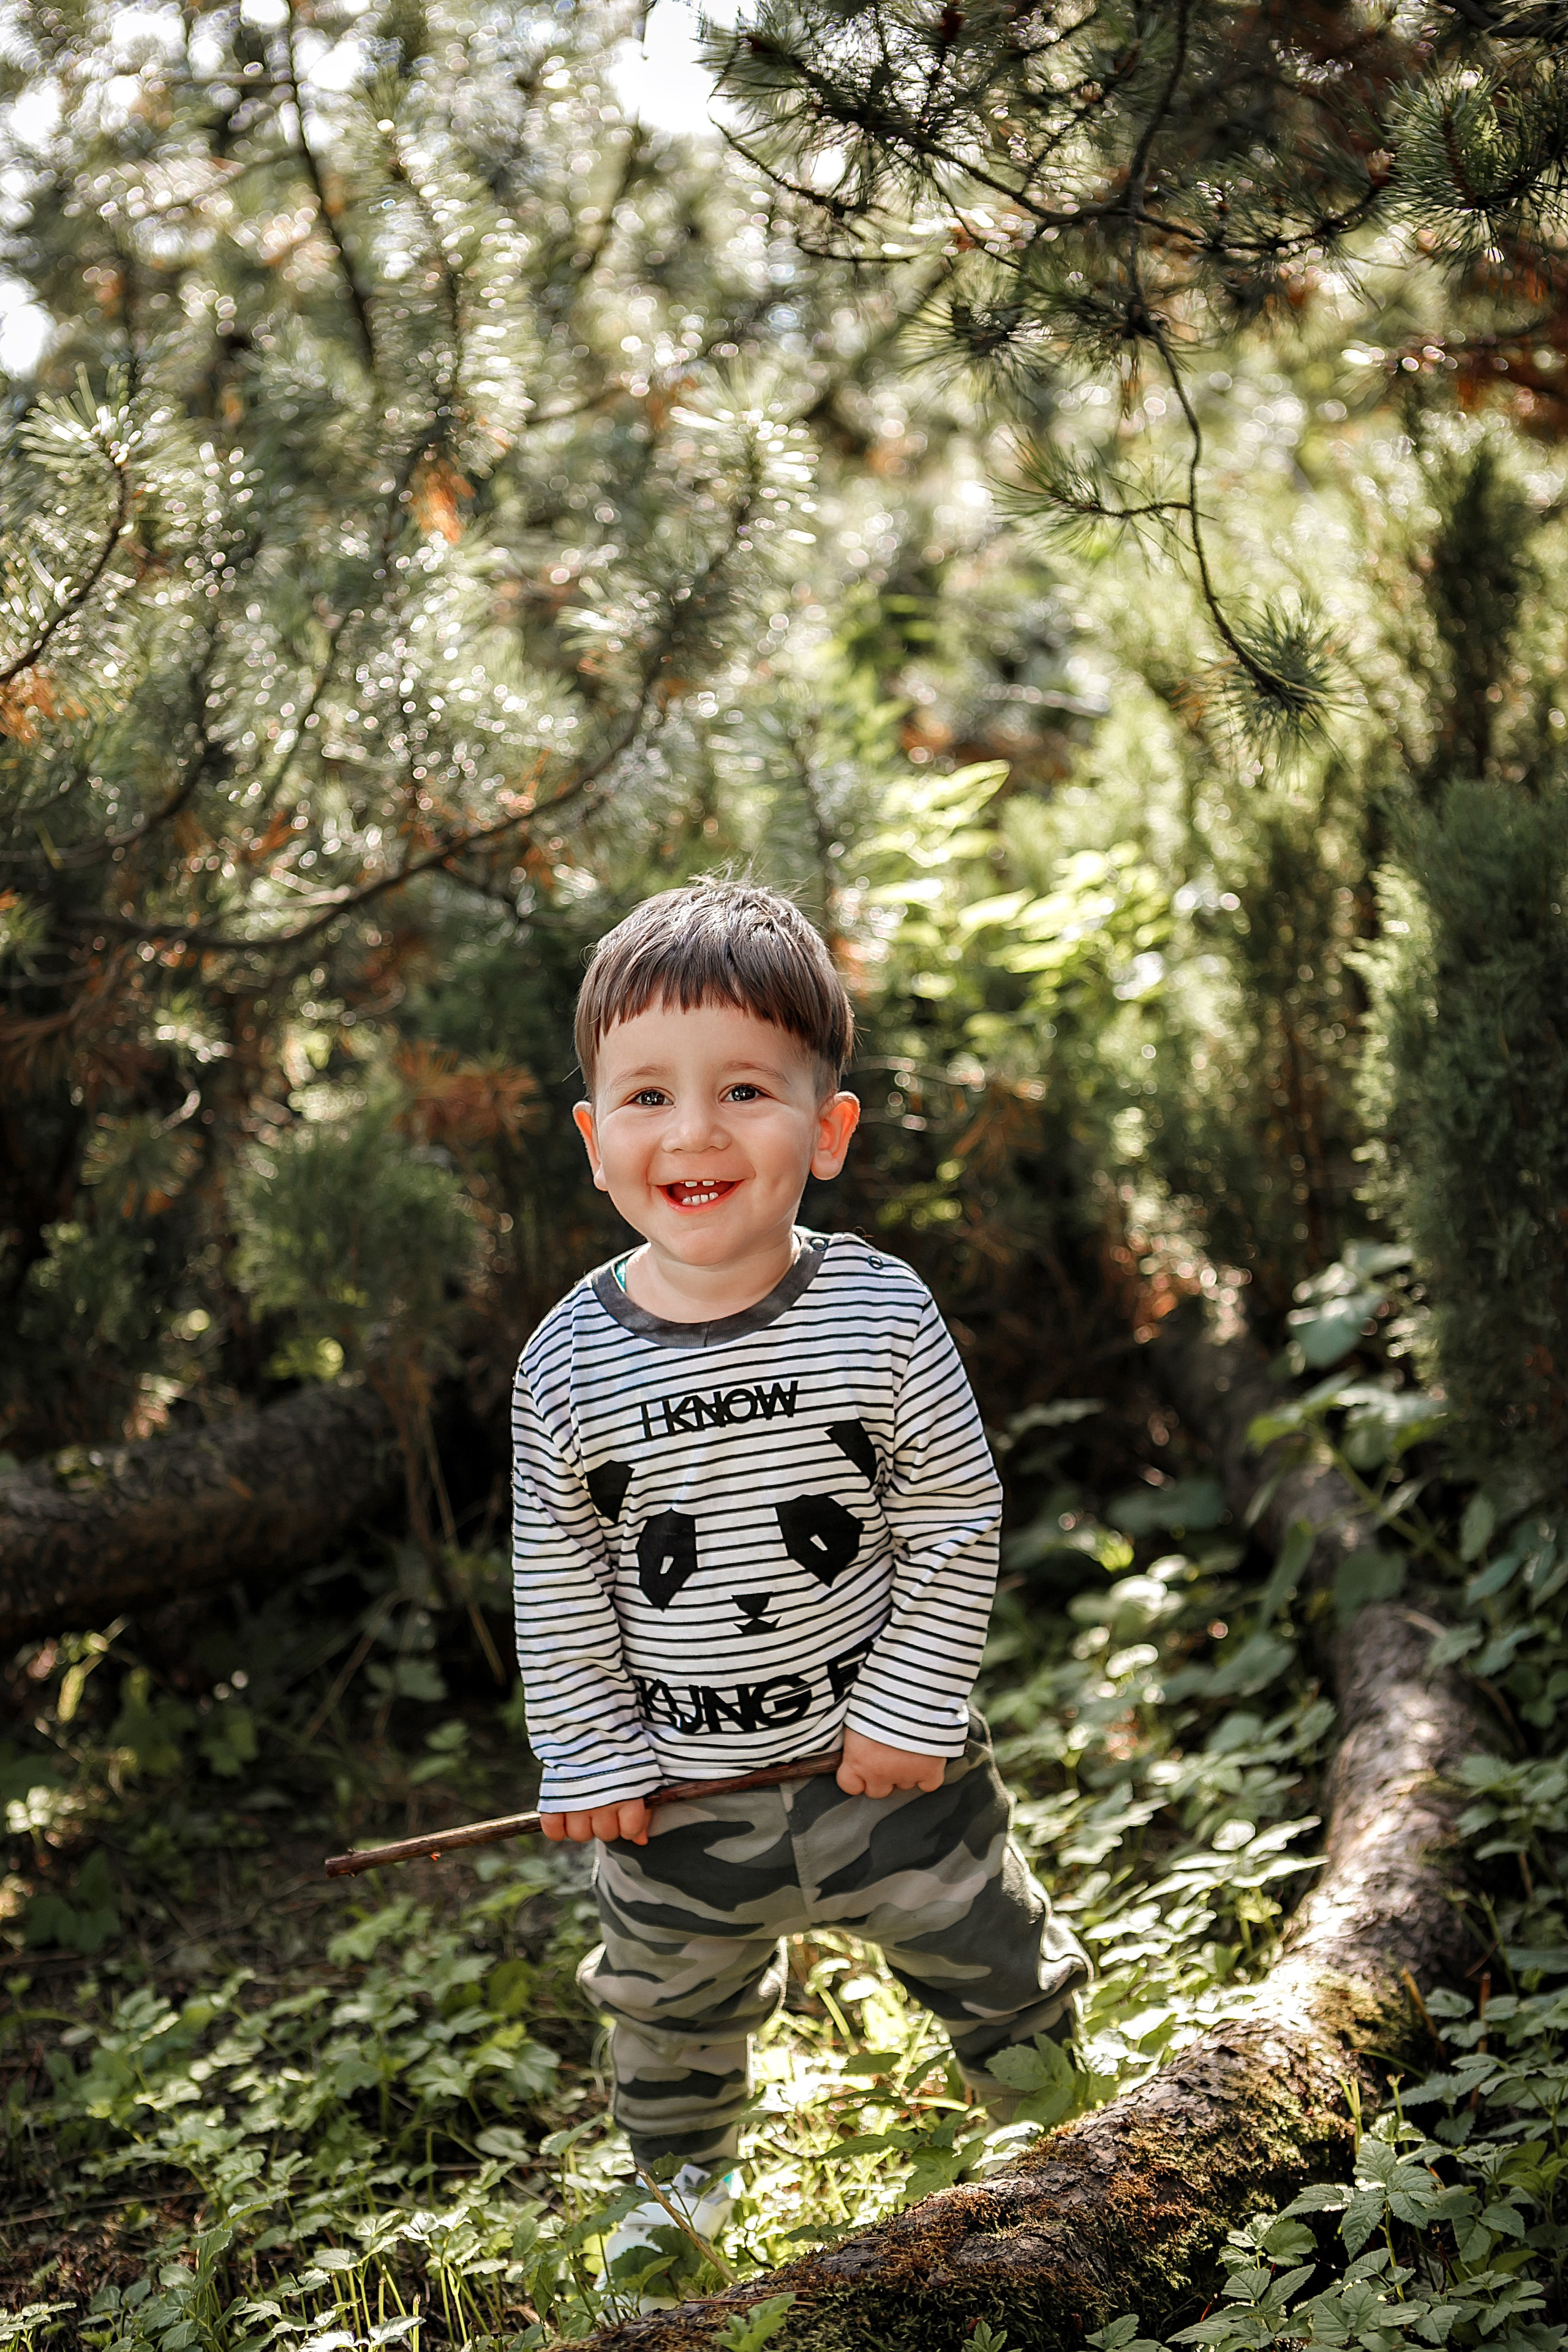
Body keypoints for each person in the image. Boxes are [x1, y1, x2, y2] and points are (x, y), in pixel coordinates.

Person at [510, 878, 1087, 2296]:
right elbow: (563, 1571)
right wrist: (587, 1751)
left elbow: (954, 1516)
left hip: (886, 1774)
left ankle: (1063, 2127)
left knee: (985, 1944)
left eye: (746, 1089)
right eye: (646, 1095)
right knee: (663, 2013)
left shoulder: (879, 1316)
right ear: (594, 1143)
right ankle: (679, 2197)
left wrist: (909, 1703)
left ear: (824, 1131)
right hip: (679, 1797)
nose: (694, 1132)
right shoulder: (565, 1366)